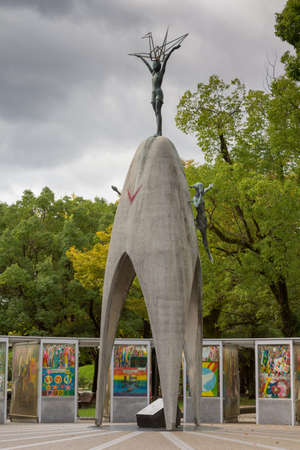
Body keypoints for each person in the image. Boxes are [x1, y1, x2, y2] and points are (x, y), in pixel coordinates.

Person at [132, 44, 180, 136]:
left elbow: (166, 60)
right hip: (153, 94)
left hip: (158, 92)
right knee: (156, 113)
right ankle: (158, 130)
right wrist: (140, 57)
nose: (153, 64)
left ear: (158, 65)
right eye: (153, 63)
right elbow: (147, 65)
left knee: (158, 111)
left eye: (155, 63)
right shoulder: (153, 73)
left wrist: (173, 49)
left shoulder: (161, 73)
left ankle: (159, 132)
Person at [190, 182, 214, 262]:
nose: (202, 190)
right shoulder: (195, 198)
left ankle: (209, 254)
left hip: (204, 218)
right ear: (198, 190)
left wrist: (209, 187)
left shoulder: (201, 193)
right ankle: (208, 254)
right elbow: (196, 205)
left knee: (205, 238)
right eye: (200, 189)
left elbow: (205, 190)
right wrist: (200, 195)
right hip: (199, 218)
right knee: (202, 237)